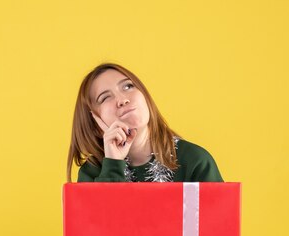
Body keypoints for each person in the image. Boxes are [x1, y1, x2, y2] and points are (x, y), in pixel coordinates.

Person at [67, 63, 223, 183]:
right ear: (94, 122)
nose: (122, 99)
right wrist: (113, 165)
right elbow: (101, 224)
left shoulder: (195, 161)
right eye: (105, 97)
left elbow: (219, 223)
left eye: (128, 86)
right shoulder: (93, 173)